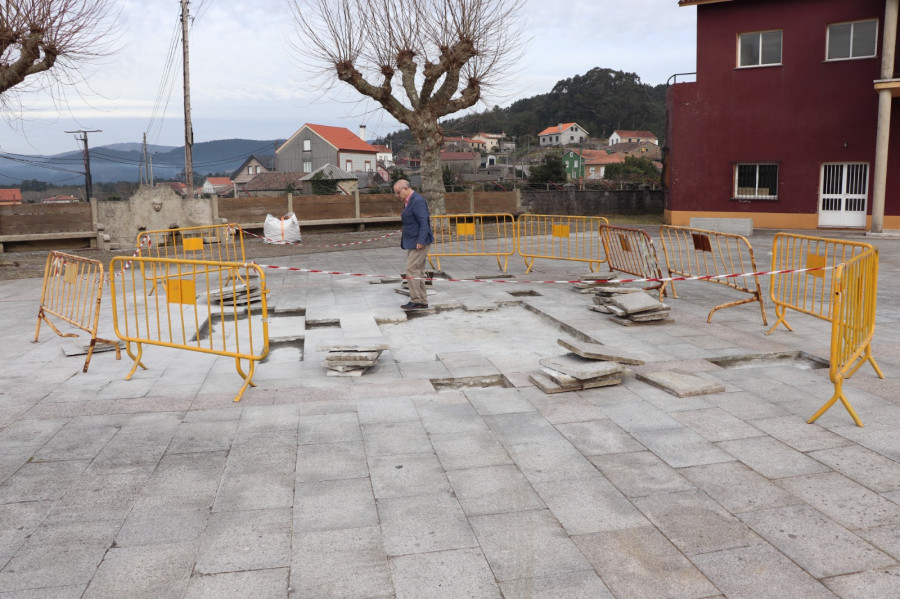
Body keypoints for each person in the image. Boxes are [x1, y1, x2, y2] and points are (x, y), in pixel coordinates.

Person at [394, 179, 434, 310]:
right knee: (418, 271)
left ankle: (416, 299)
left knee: (411, 269)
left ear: (405, 188)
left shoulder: (417, 201)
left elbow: (424, 223)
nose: (397, 196)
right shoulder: (409, 201)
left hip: (419, 242)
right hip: (413, 241)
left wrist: (421, 241)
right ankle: (422, 300)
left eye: (398, 192)